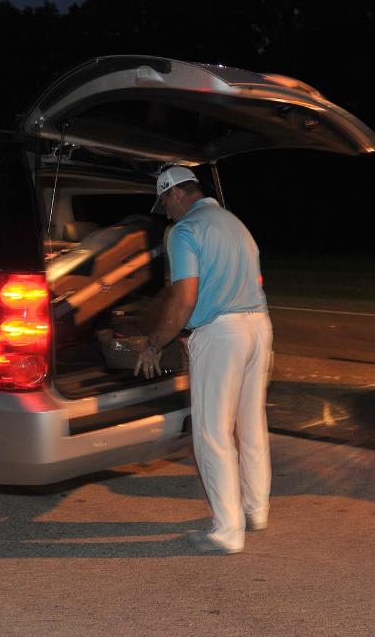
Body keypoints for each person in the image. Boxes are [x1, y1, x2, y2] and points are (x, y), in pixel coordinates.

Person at [136, 166, 273, 554]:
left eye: (164, 201)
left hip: (221, 333)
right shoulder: (235, 223)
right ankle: (255, 509)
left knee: (212, 433)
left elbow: (185, 298)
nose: (165, 212)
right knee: (251, 424)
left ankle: (226, 532)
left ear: (177, 193)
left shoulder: (185, 232)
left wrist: (155, 343)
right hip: (258, 326)